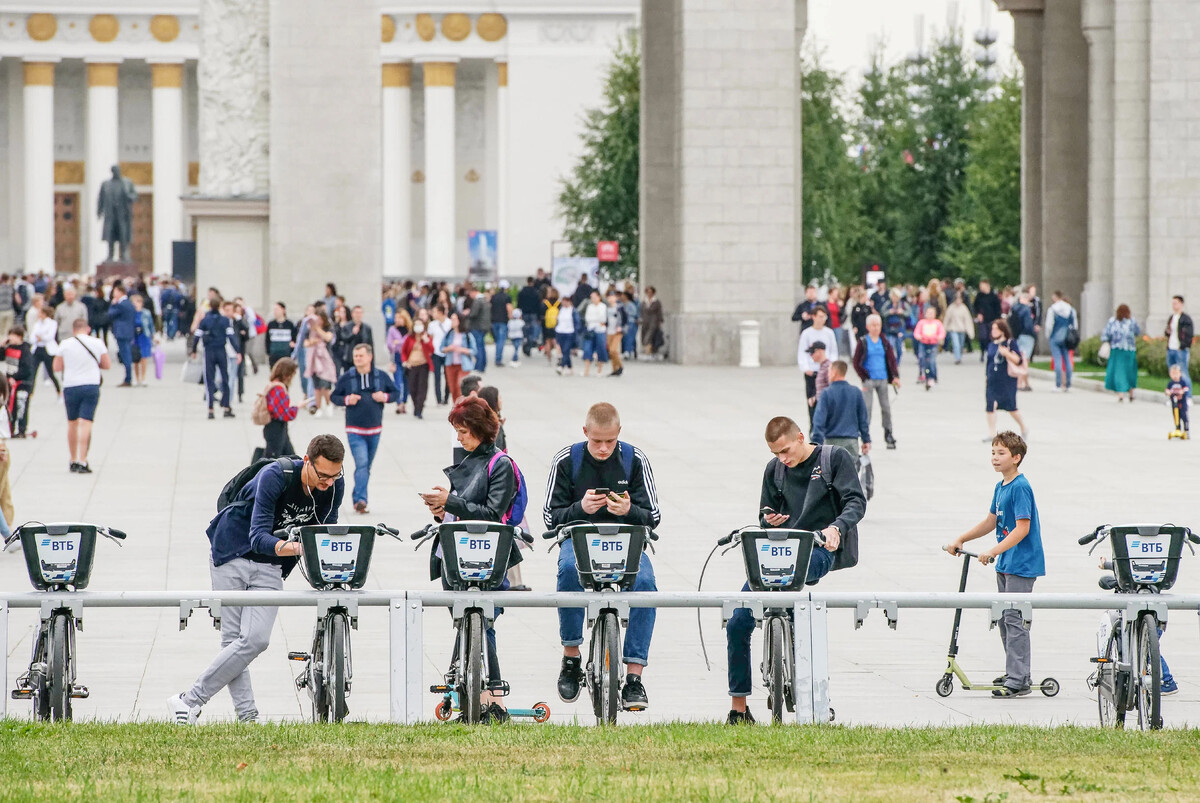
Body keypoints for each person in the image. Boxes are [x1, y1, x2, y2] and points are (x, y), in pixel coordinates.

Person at [169, 435, 346, 725]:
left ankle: (188, 700)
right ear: (307, 461)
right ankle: (247, 716)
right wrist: (301, 548)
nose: (328, 483)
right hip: (233, 549)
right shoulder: (275, 476)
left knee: (256, 639)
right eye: (322, 475)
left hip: (272, 563)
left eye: (335, 475)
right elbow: (258, 536)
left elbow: (327, 529)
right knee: (232, 640)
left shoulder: (334, 485)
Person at [726, 416, 866, 724]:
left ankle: (814, 697)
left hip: (818, 549)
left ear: (801, 437)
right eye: (776, 453)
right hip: (777, 552)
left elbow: (855, 502)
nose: (783, 459)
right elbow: (764, 513)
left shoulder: (833, 458)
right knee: (738, 619)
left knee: (797, 607)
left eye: (786, 451)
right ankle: (738, 708)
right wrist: (769, 520)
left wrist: (836, 528)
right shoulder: (774, 470)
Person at [544, 402, 662, 712]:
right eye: (597, 441)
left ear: (619, 433)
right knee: (568, 570)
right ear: (585, 433)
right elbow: (549, 517)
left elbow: (654, 516)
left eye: (610, 441)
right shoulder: (567, 460)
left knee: (647, 584)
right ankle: (571, 657)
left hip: (626, 539)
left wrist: (630, 511)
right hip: (579, 539)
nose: (603, 448)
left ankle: (634, 677)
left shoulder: (634, 459)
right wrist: (580, 509)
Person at [418, 397, 521, 723]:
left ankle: (491, 698)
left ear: (479, 429)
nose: (459, 438)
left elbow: (491, 513)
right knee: (474, 623)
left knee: (481, 622)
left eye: (463, 431)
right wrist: (442, 509)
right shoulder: (471, 460)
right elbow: (463, 510)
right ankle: (483, 698)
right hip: (460, 554)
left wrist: (451, 502)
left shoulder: (499, 464)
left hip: (489, 555)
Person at [948, 431, 1044, 698]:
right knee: (1004, 619)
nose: (995, 458)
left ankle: (1019, 679)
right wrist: (962, 539)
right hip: (1006, 562)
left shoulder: (1020, 487)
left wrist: (992, 550)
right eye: (993, 452)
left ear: (1017, 458)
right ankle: (1016, 671)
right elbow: (991, 522)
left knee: (1015, 620)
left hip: (1022, 564)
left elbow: (1022, 529)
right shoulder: (1001, 487)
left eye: (1001, 453)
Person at [331, 343, 400, 514]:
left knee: (366, 466)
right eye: (355, 356)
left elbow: (396, 393)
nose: (358, 359)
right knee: (361, 463)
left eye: (361, 356)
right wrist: (347, 400)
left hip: (375, 430)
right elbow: (334, 396)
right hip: (355, 430)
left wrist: (384, 396)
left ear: (370, 357)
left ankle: (358, 495)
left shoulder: (381, 376)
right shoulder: (347, 377)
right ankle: (361, 500)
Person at [53, 318, 111, 473]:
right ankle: (83, 460)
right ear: (88, 328)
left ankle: (72, 459)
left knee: (72, 423)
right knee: (86, 423)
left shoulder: (65, 344)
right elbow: (107, 365)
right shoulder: (97, 343)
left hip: (71, 386)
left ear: (73, 330)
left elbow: (57, 367)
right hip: (90, 385)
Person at [852, 314, 900, 449]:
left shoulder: (884, 342)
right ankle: (865, 435)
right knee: (867, 408)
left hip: (883, 378)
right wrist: (864, 376)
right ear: (867, 327)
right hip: (869, 380)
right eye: (873, 325)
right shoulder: (863, 342)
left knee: (886, 407)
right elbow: (856, 362)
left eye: (878, 325)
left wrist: (895, 376)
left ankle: (888, 432)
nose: (875, 328)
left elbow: (891, 360)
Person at [811, 361, 871, 458]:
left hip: (831, 442)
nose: (828, 374)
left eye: (829, 371)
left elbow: (819, 421)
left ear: (834, 372)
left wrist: (815, 443)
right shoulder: (856, 392)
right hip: (851, 441)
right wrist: (866, 440)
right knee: (851, 471)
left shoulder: (826, 393)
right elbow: (862, 419)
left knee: (830, 471)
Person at [192, 300, 241, 420]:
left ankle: (210, 409)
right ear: (219, 307)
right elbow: (231, 336)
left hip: (209, 351)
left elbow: (197, 336)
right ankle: (226, 407)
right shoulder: (224, 321)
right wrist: (238, 351)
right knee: (225, 378)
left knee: (209, 379)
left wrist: (193, 350)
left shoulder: (205, 320)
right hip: (221, 350)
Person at [985, 320, 1027, 440]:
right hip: (993, 378)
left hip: (1007, 379)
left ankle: (1023, 427)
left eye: (996, 329)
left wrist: (1006, 353)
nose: (993, 331)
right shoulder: (991, 344)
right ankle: (991, 433)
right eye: (992, 329)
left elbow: (1018, 360)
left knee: (1011, 407)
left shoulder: (1010, 343)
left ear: (1003, 330)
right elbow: (989, 362)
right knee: (990, 405)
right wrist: (987, 377)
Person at [796, 307, 838, 424]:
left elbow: (833, 351)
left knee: (826, 398)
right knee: (812, 401)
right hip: (812, 372)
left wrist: (832, 366)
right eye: (820, 316)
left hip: (826, 371)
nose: (822, 319)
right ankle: (813, 427)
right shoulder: (807, 333)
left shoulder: (829, 333)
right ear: (813, 317)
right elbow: (802, 353)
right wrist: (806, 368)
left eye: (824, 317)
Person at [1102, 304, 1141, 402]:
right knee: (1130, 372)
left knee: (1119, 372)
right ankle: (1131, 393)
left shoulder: (1113, 321)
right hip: (1129, 350)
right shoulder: (1132, 321)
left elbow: (1106, 334)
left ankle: (1120, 394)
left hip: (1117, 350)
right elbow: (1138, 332)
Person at [262, 357, 299, 458]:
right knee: (272, 459)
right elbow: (282, 414)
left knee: (290, 457)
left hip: (276, 428)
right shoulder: (278, 389)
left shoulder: (274, 385)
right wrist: (296, 408)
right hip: (276, 428)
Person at [304, 308, 338, 417]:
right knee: (316, 386)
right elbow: (305, 343)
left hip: (325, 360)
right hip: (314, 360)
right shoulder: (309, 329)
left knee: (325, 386)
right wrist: (312, 341)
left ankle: (328, 403)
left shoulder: (328, 328)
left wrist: (317, 329)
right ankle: (318, 407)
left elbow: (328, 338)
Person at [401, 315, 434, 419]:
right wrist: (405, 361)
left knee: (422, 388)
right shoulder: (409, 338)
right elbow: (403, 351)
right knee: (413, 388)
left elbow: (432, 350)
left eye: (420, 325)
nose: (418, 327)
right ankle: (416, 405)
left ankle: (419, 409)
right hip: (412, 366)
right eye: (416, 325)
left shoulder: (426, 337)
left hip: (423, 365)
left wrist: (426, 341)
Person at [3, 327, 33, 439]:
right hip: (10, 383)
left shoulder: (25, 350)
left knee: (21, 407)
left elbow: (27, 368)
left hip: (22, 383)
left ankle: (21, 430)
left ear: (19, 337)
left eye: (12, 335)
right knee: (11, 407)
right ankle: (10, 428)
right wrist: (2, 345)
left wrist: (14, 377)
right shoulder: (9, 347)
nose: (10, 338)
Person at [1044, 291, 1077, 392]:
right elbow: (1075, 325)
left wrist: (1048, 335)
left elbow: (1049, 325)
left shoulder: (1053, 309)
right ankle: (1068, 384)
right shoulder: (1071, 309)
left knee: (1057, 360)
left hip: (1055, 336)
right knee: (1067, 360)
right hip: (1067, 337)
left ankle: (1058, 384)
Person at [108, 285, 137, 386]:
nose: (113, 294)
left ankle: (128, 378)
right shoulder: (129, 303)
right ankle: (128, 377)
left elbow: (110, 314)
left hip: (121, 332)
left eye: (115, 292)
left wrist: (112, 304)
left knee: (126, 355)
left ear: (120, 292)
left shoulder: (121, 304)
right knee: (126, 354)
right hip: (128, 331)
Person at [29, 304, 60, 396]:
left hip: (47, 350)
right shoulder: (37, 324)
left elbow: (50, 336)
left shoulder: (52, 323)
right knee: (33, 372)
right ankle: (31, 393)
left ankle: (59, 391)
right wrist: (38, 338)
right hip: (37, 349)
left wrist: (41, 337)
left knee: (51, 372)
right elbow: (32, 337)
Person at [912, 306, 946, 389]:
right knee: (922, 358)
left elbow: (942, 332)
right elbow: (916, 332)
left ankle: (932, 376)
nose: (930, 315)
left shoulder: (937, 323)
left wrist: (939, 337)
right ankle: (923, 374)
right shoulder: (922, 323)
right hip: (923, 343)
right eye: (928, 313)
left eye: (932, 313)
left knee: (931, 360)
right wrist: (919, 336)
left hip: (933, 344)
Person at [442, 313, 473, 401]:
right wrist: (448, 348)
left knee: (460, 386)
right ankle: (456, 407)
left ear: (459, 321)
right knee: (453, 388)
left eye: (454, 319)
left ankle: (462, 406)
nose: (452, 321)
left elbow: (473, 350)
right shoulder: (449, 334)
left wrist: (462, 350)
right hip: (450, 364)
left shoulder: (466, 335)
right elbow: (441, 348)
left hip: (463, 364)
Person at [1164, 295, 1193, 391]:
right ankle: (1174, 394)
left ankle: (1187, 396)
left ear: (1181, 304)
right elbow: (1168, 331)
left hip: (1180, 349)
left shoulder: (1185, 319)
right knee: (1172, 373)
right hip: (1171, 348)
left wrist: (1183, 345)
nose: (1173, 305)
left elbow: (1188, 334)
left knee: (1183, 373)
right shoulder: (1172, 317)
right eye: (1172, 303)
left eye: (1175, 303)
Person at [972, 279, 1002, 362]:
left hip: (992, 319)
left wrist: (997, 319)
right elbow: (975, 306)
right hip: (982, 320)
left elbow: (998, 309)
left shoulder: (994, 296)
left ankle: (990, 352)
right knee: (983, 336)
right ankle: (982, 351)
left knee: (991, 337)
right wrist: (978, 314)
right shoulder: (979, 296)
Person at [581, 290, 609, 377]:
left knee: (601, 349)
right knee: (587, 349)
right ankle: (587, 370)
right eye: (591, 297)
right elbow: (588, 318)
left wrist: (595, 319)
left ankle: (599, 370)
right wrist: (596, 319)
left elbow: (602, 318)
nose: (593, 299)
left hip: (600, 330)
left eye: (594, 297)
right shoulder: (590, 306)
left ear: (599, 297)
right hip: (590, 330)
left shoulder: (603, 306)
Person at [944, 292, 974, 364]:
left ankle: (959, 356)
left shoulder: (964, 308)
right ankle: (957, 358)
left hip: (962, 329)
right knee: (956, 344)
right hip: (953, 329)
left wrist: (970, 331)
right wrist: (944, 329)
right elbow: (947, 319)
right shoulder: (951, 308)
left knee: (961, 345)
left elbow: (967, 320)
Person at [131, 294, 154, 387]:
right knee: (136, 358)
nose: (137, 304)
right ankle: (136, 378)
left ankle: (143, 378)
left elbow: (151, 325)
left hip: (144, 336)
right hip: (134, 337)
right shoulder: (131, 313)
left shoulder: (146, 313)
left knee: (144, 358)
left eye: (138, 302)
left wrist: (153, 336)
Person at [516, 277, 542, 355]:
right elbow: (538, 305)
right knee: (532, 331)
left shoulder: (522, 292)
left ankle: (526, 343)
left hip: (524, 313)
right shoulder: (536, 292)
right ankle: (529, 346)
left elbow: (519, 304)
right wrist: (539, 316)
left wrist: (519, 313)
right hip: (533, 314)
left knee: (526, 330)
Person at [266, 302, 297, 368]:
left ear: (283, 310)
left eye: (277, 309)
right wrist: (269, 351)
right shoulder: (271, 324)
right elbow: (267, 339)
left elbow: (294, 338)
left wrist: (292, 350)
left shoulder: (289, 324)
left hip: (286, 354)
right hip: (274, 354)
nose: (275, 312)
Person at [555, 296, 578, 376]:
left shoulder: (573, 311)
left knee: (566, 350)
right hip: (561, 331)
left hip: (569, 332)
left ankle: (561, 366)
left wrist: (576, 333)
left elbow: (577, 322)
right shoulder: (561, 310)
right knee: (565, 351)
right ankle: (570, 367)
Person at [490, 285, 512, 367]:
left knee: (497, 340)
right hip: (503, 321)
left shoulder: (494, 297)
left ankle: (497, 356)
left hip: (494, 321)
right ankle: (498, 359)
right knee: (501, 341)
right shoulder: (507, 297)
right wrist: (511, 318)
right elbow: (509, 308)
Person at [1166, 363, 1190, 438]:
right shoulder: (1171, 383)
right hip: (1174, 403)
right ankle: (1178, 428)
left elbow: (1186, 388)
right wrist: (1168, 392)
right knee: (1176, 416)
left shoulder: (1182, 382)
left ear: (1180, 373)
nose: (1175, 375)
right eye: (1173, 374)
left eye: (1176, 373)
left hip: (1181, 403)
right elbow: (1167, 390)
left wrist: (1182, 391)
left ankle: (1186, 430)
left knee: (1183, 415)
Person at [605, 289, 625, 377]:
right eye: (609, 297)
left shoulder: (620, 307)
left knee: (613, 349)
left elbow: (625, 319)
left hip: (617, 331)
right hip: (609, 331)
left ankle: (620, 366)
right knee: (610, 351)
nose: (611, 299)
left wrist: (622, 327)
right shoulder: (606, 308)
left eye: (612, 297)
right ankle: (614, 369)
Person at [641, 286, 664, 356]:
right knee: (646, 335)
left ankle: (649, 351)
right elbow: (641, 311)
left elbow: (659, 312)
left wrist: (660, 320)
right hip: (645, 321)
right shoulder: (644, 301)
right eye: (647, 292)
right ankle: (650, 351)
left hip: (654, 321)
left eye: (650, 292)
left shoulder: (656, 301)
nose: (649, 293)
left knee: (649, 336)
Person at [542, 288, 561, 364]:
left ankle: (549, 358)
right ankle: (559, 355)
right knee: (556, 341)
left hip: (547, 324)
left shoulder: (546, 303)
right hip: (556, 324)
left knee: (547, 341)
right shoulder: (558, 303)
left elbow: (542, 313)